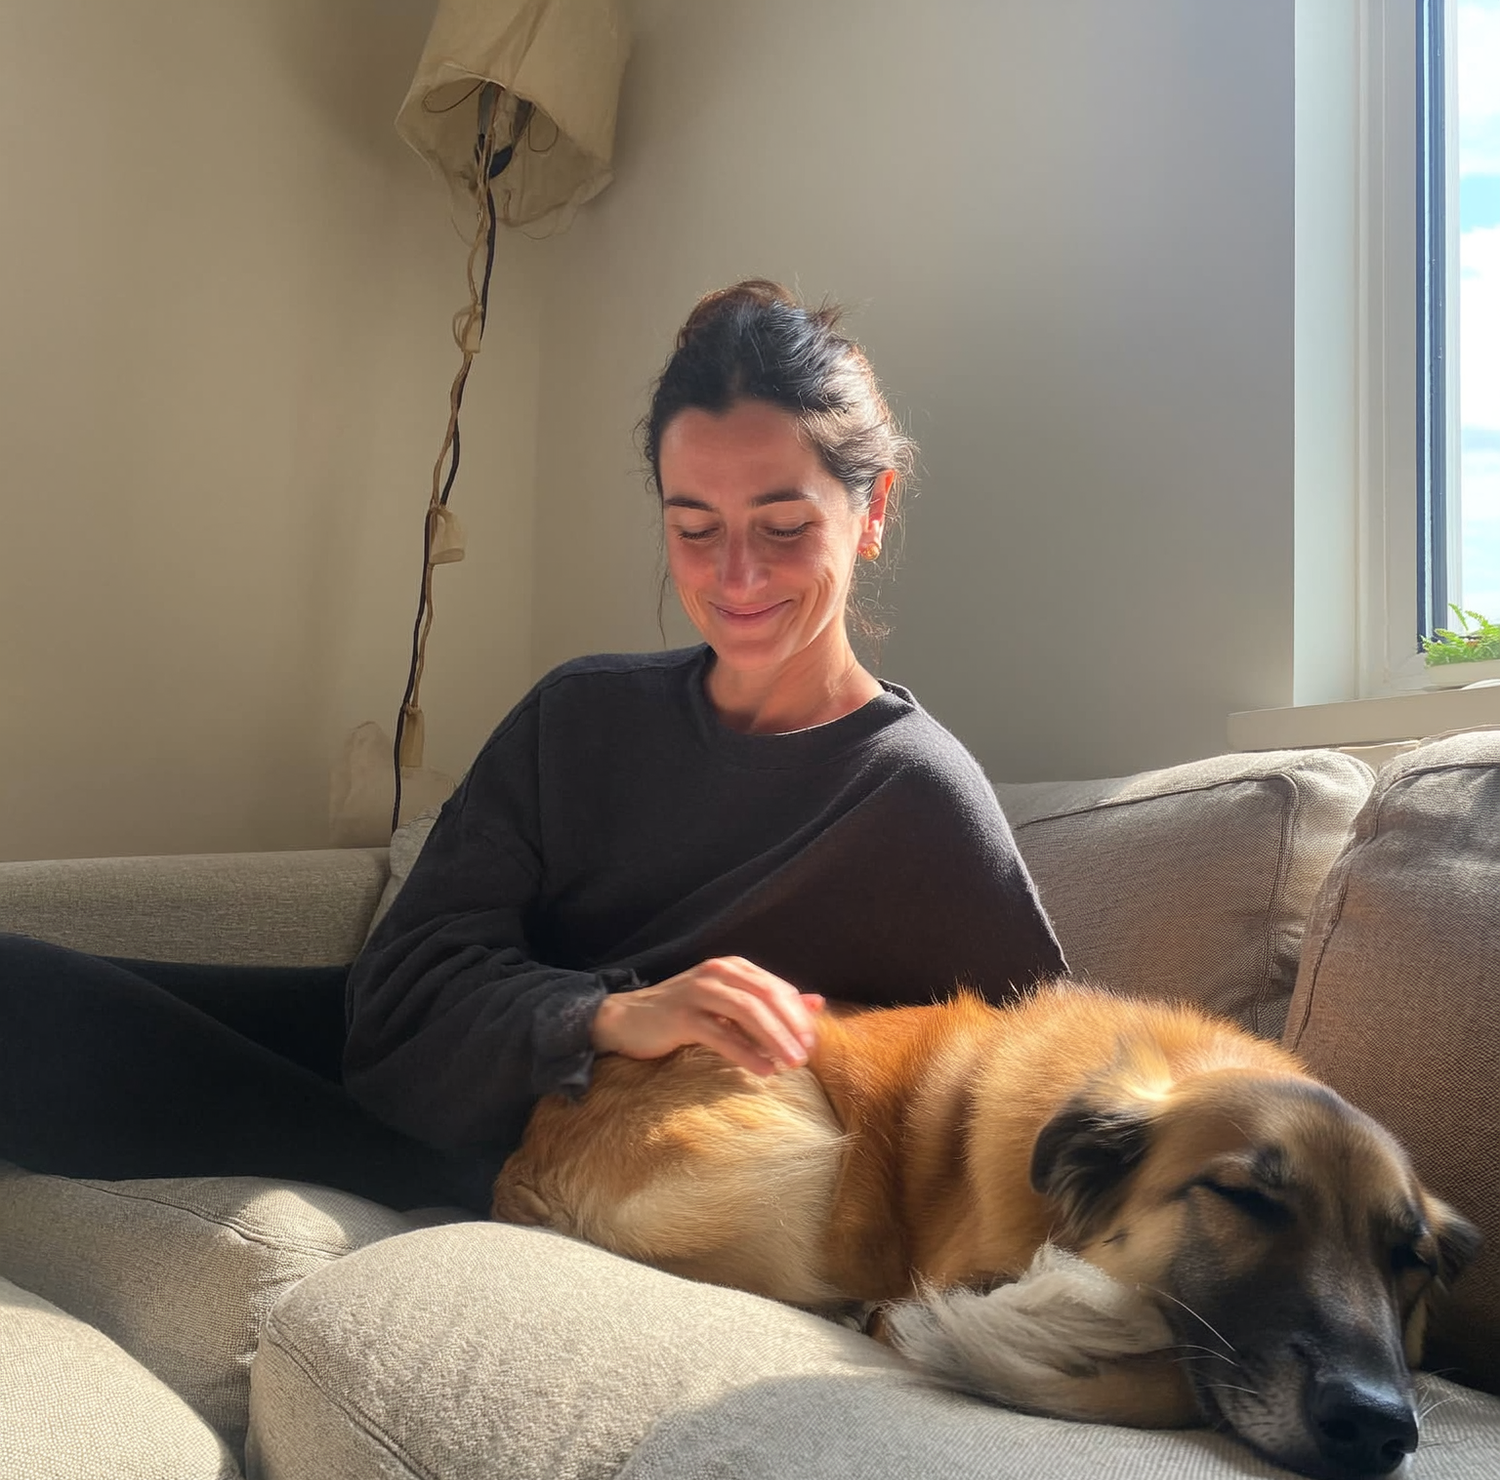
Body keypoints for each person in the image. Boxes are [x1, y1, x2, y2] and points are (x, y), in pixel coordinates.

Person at [0, 281, 1065, 1215]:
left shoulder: (914, 800)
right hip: (422, 1065)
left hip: (537, 1166)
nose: (735, 576)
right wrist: (610, 1015)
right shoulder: (582, 716)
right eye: (694, 527)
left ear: (872, 511)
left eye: (783, 526)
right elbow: (398, 996)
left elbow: (1052, 1097)